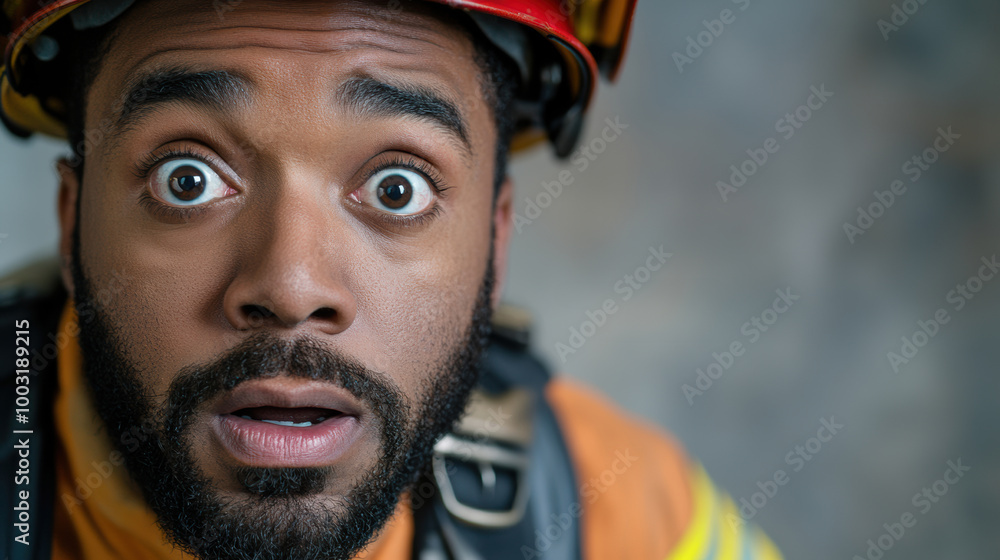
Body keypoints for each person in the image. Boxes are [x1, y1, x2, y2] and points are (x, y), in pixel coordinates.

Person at [0, 0, 783, 558]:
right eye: (187, 180)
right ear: (74, 222)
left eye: (396, 189)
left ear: (494, 241)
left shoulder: (626, 518)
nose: (292, 287)